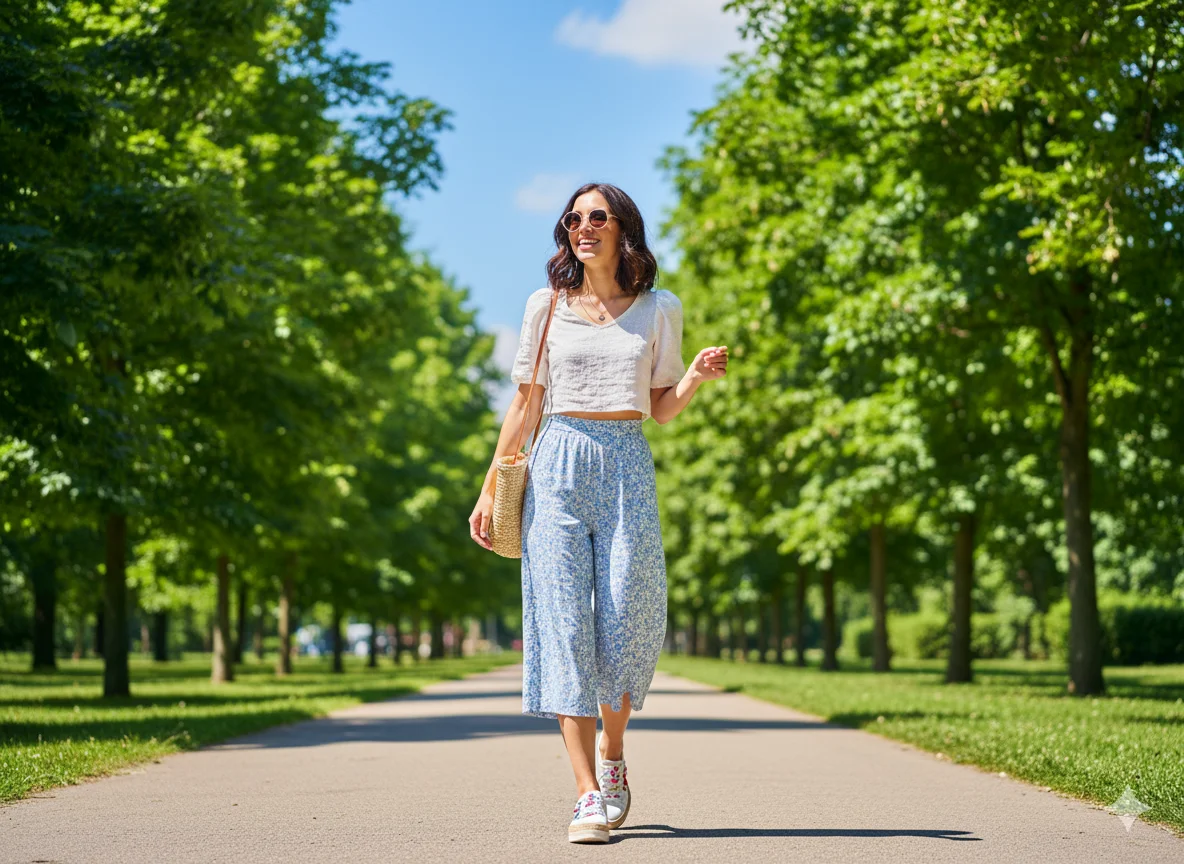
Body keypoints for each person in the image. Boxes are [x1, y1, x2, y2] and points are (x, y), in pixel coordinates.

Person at [468, 182, 728, 844]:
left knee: (626, 616)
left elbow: (660, 407)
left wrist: (693, 379)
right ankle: (587, 793)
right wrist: (490, 486)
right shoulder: (546, 306)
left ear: (622, 229)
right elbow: (526, 402)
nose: (583, 226)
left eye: (597, 217)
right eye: (573, 219)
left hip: (626, 464)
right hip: (556, 462)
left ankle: (614, 752)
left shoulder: (659, 308)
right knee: (563, 626)